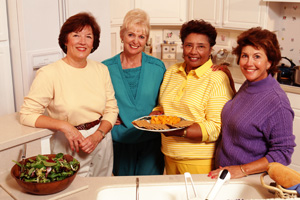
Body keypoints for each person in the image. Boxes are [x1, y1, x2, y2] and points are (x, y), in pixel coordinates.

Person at [19, 12, 119, 177]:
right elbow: (26, 115)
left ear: (94, 42)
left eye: (88, 36)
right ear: (65, 40)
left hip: (102, 140)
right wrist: (65, 126)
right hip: (70, 143)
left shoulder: (101, 70)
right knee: (73, 192)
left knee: (103, 187)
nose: (82, 41)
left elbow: (111, 108)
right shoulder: (49, 73)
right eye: (76, 35)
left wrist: (98, 135)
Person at [209, 27, 296, 179]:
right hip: (225, 176)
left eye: (257, 57)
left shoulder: (277, 102)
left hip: (249, 181)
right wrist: (228, 79)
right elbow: (245, 112)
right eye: (245, 56)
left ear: (269, 62)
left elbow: (283, 152)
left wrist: (241, 170)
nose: (249, 63)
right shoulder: (250, 84)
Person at [150, 19, 234, 175]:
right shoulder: (172, 71)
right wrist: (157, 113)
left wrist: (179, 131)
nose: (193, 51)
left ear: (210, 50)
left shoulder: (217, 78)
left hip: (198, 160)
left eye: (201, 46)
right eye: (189, 45)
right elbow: (164, 106)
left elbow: (216, 128)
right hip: (168, 154)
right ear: (183, 47)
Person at [102, 9, 165, 176]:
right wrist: (105, 114)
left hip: (150, 142)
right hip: (120, 141)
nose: (135, 41)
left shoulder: (157, 67)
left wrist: (158, 110)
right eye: (131, 35)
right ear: (122, 35)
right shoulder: (105, 68)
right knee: (124, 189)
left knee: (149, 190)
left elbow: (166, 101)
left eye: (141, 36)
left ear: (146, 40)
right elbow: (94, 100)